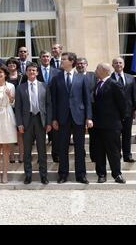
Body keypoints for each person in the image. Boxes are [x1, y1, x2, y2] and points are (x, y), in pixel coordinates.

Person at [51, 52, 93, 184]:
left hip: (78, 117)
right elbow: (54, 101)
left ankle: (81, 175)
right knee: (62, 147)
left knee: (79, 147)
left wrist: (89, 117)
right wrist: (54, 119)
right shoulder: (56, 78)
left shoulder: (82, 78)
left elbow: (87, 99)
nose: (61, 61)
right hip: (62, 118)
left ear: (71, 61)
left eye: (64, 59)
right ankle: (63, 174)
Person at [15, 63, 52, 185]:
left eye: (34, 70)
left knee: (42, 151)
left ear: (37, 72)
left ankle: (43, 176)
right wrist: (19, 123)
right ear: (26, 72)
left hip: (40, 121)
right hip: (27, 121)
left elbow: (48, 105)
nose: (32, 72)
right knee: (27, 151)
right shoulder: (21, 88)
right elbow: (18, 108)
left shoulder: (44, 86)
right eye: (29, 70)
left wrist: (48, 122)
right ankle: (28, 175)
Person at [93, 63, 127, 184]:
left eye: (97, 68)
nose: (95, 70)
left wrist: (118, 120)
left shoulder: (114, 84)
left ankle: (117, 174)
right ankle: (101, 174)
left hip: (112, 125)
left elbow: (122, 104)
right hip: (98, 125)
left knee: (113, 151)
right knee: (99, 151)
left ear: (103, 70)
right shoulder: (97, 84)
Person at [111, 57, 136, 163]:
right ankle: (117, 155)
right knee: (116, 135)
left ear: (123, 65)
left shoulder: (130, 78)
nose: (118, 64)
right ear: (112, 65)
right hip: (114, 113)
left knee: (127, 134)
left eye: (120, 63)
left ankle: (127, 155)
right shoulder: (110, 78)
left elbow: (134, 95)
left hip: (128, 111)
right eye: (116, 63)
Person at [37, 50, 61, 163]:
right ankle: (41, 157)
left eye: (47, 56)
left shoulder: (57, 72)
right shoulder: (34, 71)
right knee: (40, 132)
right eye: (43, 56)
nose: (45, 58)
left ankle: (55, 154)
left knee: (55, 132)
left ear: (50, 58)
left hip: (54, 104)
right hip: (39, 104)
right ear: (40, 58)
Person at [76, 57, 97, 162]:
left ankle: (94, 155)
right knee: (79, 134)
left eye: (82, 63)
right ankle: (81, 153)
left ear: (86, 64)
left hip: (91, 108)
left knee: (93, 134)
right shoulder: (73, 76)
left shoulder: (93, 75)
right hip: (78, 109)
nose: (80, 65)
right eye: (78, 64)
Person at [6, 57, 24, 164]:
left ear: (17, 65)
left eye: (14, 63)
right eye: (9, 63)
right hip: (8, 107)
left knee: (20, 133)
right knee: (10, 133)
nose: (12, 65)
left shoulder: (22, 76)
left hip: (20, 107)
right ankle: (11, 155)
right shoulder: (5, 77)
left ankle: (21, 156)